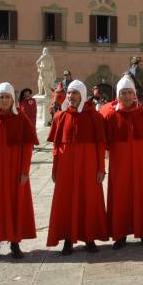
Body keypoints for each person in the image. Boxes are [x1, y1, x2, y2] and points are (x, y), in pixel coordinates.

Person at [0, 83, 38, 261]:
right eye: (1, 97)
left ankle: (14, 243)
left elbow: (27, 147)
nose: (4, 100)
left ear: (12, 100)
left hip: (14, 172)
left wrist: (24, 171)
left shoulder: (21, 120)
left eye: (7, 97)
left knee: (14, 204)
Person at [46, 80, 109, 254]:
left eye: (75, 93)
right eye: (69, 93)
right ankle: (68, 239)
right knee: (66, 201)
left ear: (82, 95)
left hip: (89, 166)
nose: (71, 96)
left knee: (88, 200)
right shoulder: (60, 116)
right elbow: (57, 146)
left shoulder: (94, 117)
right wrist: (55, 169)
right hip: (66, 167)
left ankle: (89, 237)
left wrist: (101, 168)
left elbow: (100, 145)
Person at [102, 76, 143, 248]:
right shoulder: (110, 116)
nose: (126, 96)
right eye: (123, 93)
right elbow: (104, 143)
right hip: (119, 164)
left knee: (141, 196)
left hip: (140, 163)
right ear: (118, 96)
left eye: (129, 92)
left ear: (135, 95)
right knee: (120, 197)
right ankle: (119, 234)